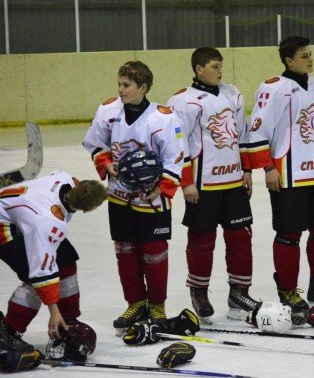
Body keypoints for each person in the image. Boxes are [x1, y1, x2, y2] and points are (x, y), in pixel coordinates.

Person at [83, 61, 184, 332]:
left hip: (152, 197)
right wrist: (106, 163)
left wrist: (162, 187)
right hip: (119, 194)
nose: (121, 90)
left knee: (154, 252)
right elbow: (94, 142)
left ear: (143, 87)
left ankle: (157, 306)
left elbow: (176, 156)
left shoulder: (163, 118)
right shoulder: (108, 111)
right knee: (125, 251)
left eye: (126, 85)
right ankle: (136, 303)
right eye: (119, 84)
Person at [246, 36, 314, 325]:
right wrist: (267, 168)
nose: (310, 60)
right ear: (288, 61)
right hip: (287, 175)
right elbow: (256, 129)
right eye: (304, 56)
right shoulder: (273, 88)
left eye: (310, 54)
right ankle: (287, 289)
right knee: (289, 234)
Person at [167, 47, 257, 323]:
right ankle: (199, 292)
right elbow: (177, 143)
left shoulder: (232, 93)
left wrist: (246, 169)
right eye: (215, 66)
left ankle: (239, 292)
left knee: (240, 237)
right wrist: (186, 182)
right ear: (199, 69)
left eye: (221, 66)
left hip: (233, 182)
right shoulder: (183, 100)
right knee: (202, 240)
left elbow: (242, 133)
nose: (220, 71)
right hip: (202, 185)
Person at [0, 171, 106, 349]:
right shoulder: (49, 222)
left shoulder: (67, 179)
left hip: (18, 213)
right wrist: (54, 312)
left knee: (66, 260)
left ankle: (69, 320)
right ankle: (8, 330)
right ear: (87, 211)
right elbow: (41, 272)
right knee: (33, 280)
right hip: (4, 224)